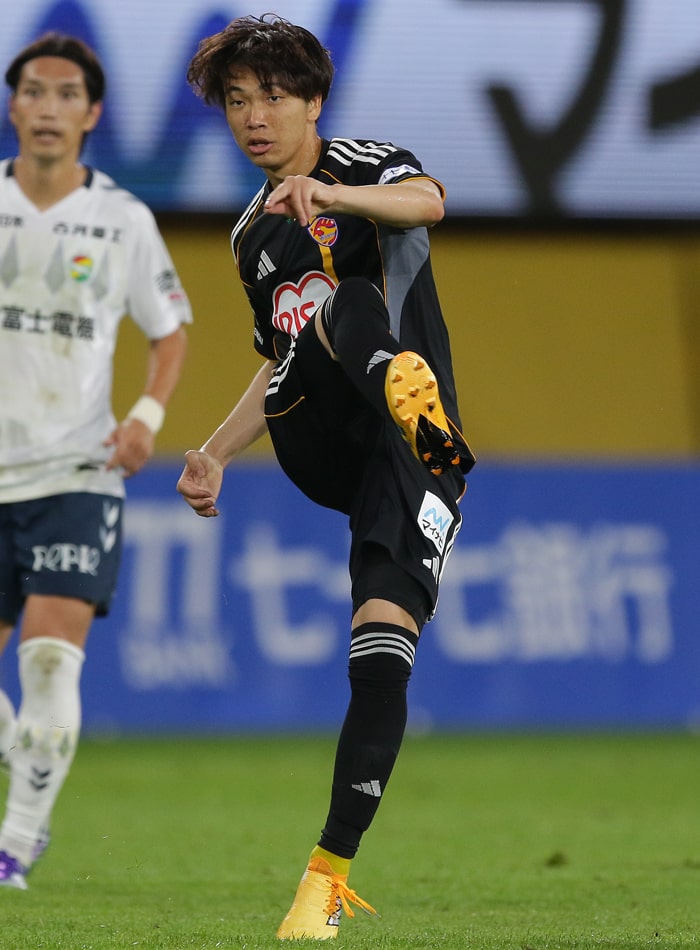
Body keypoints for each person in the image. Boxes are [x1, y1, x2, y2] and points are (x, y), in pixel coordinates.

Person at [177, 13, 475, 941]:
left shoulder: (365, 164)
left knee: (381, 654)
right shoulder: (250, 237)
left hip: (411, 461)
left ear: (314, 102)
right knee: (337, 308)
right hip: (322, 434)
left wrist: (337, 197)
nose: (254, 116)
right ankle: (396, 381)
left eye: (273, 96)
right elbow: (277, 360)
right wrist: (214, 451)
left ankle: (322, 883)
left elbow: (429, 204)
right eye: (237, 101)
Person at [0, 32, 192, 890]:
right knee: (27, 712)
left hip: (76, 470)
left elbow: (170, 330)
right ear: (13, 106)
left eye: (67, 94)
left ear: (92, 113)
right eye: (34, 92)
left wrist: (147, 417)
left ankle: (14, 845)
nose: (49, 108)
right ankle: (29, 757)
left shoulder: (123, 218)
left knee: (47, 660)